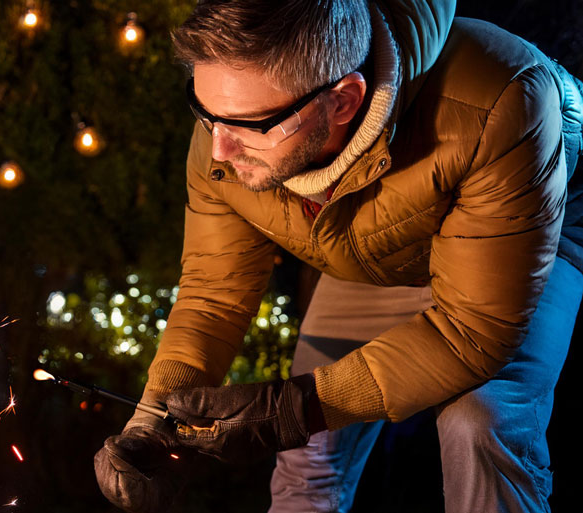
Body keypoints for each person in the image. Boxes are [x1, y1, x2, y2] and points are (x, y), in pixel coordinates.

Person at [94, 0, 583, 511]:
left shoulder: (501, 98)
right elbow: (213, 294)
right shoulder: (228, 129)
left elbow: (475, 329)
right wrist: (149, 422)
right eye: (206, 114)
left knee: (480, 425)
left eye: (249, 125)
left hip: (527, 238)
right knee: (311, 450)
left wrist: (297, 408)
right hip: (379, 245)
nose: (218, 150)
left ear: (345, 100)